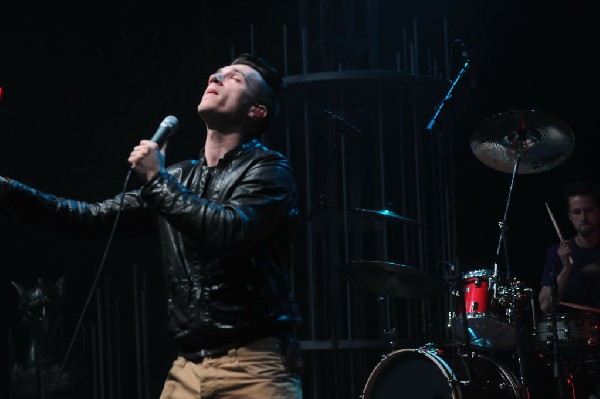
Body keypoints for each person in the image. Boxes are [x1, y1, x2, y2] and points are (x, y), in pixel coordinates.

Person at [0, 53, 304, 398]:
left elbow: (228, 232)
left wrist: (157, 180)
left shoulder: (269, 170)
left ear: (257, 111)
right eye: (217, 73)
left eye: (235, 78)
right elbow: (90, 218)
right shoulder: (178, 178)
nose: (216, 77)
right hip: (188, 367)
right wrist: (8, 192)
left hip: (253, 366)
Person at [538, 180, 600, 314]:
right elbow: (545, 306)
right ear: (570, 216)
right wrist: (566, 268)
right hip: (569, 331)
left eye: (588, 210)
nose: (583, 217)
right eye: (577, 212)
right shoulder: (556, 252)